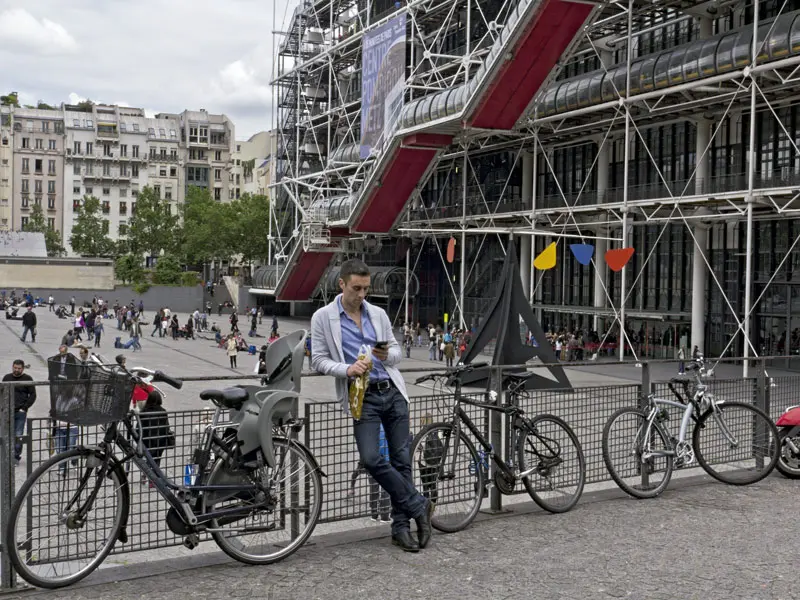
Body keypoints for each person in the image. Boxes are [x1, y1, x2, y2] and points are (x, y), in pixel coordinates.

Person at [311, 258, 432, 553]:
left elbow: (396, 354)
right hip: (361, 397)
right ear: (342, 284)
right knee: (371, 457)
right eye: (357, 288)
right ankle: (419, 505)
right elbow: (317, 360)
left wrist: (384, 354)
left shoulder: (377, 314)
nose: (362, 294)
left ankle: (400, 528)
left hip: (392, 392)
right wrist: (346, 369)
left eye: (366, 288)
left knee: (402, 463)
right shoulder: (323, 318)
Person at [348, 424, 391, 523]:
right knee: (386, 489)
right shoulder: (388, 426)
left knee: (373, 488)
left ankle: (374, 514)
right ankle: (385, 516)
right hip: (386, 460)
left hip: (373, 460)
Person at [2, 360, 36, 464]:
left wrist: (24, 408)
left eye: (19, 368)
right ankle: (6, 455)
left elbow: (33, 395)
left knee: (18, 434)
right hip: (7, 411)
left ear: (23, 368)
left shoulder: (27, 379)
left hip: (20, 412)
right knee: (7, 433)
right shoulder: (6, 378)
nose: (16, 370)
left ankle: (16, 457)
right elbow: (1, 392)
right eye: (15, 368)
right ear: (12, 367)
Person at [139, 390, 173, 486]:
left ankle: (145, 474)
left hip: (147, 440)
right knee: (157, 459)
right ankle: (152, 480)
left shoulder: (143, 412)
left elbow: (139, 427)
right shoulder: (163, 411)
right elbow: (166, 427)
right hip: (159, 440)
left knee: (148, 458)